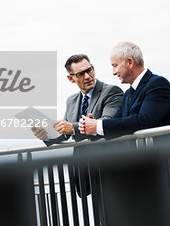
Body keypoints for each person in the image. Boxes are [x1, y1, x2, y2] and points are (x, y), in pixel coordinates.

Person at [31, 54, 123, 198]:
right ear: (71, 78)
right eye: (81, 74)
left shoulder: (112, 92)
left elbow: (107, 123)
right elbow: (64, 133)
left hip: (109, 168)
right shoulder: (71, 101)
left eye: (89, 70)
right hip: (85, 173)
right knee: (100, 217)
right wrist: (46, 135)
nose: (88, 76)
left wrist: (72, 128)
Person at [79, 42, 170, 146]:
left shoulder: (158, 84)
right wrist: (91, 127)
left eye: (115, 65)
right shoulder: (127, 94)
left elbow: (143, 121)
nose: (113, 72)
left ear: (130, 62)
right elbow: (117, 122)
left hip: (169, 159)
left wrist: (97, 126)